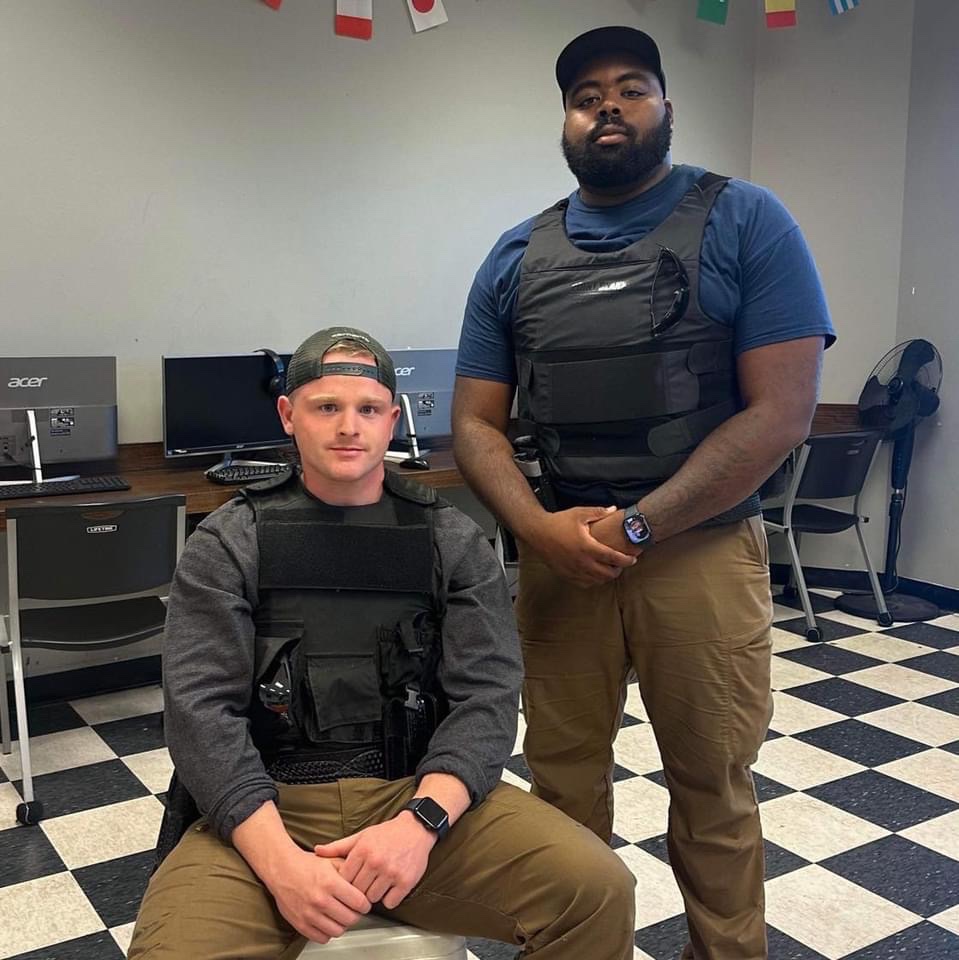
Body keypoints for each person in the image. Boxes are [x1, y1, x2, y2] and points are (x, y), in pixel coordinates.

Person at [452, 25, 835, 960]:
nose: (608, 106)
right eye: (587, 95)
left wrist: (638, 521)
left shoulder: (747, 219)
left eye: (631, 87)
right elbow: (473, 423)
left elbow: (781, 411)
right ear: (568, 122)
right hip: (559, 560)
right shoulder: (514, 256)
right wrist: (538, 530)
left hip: (697, 553)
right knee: (562, 788)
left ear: (666, 106)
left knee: (711, 788)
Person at [128, 326, 635, 960]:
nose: (349, 427)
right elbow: (201, 714)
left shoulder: (451, 541)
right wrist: (283, 867)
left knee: (597, 890)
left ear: (393, 420)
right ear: (289, 415)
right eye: (326, 407)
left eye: (368, 409)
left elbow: (487, 700)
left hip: (415, 793)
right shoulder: (230, 541)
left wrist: (419, 825)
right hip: (270, 806)